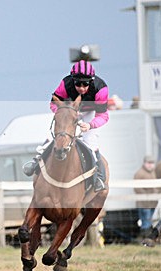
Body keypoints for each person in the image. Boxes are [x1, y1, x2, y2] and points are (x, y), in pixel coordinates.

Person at [23, 59, 109, 192]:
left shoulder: (100, 89)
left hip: (89, 114)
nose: (81, 88)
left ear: (91, 81)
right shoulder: (65, 83)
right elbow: (53, 103)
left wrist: (90, 125)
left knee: (91, 142)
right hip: (68, 111)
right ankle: (36, 161)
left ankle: (98, 177)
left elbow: (103, 116)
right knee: (55, 136)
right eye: (78, 83)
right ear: (72, 80)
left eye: (85, 84)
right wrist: (64, 113)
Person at [134, 155, 158, 239]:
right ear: (144, 163)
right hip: (143, 203)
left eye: (152, 163)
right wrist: (147, 196)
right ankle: (146, 239)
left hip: (153, 202)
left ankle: (146, 238)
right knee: (146, 221)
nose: (150, 165)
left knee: (148, 220)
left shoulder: (154, 172)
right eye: (148, 163)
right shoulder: (139, 173)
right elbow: (137, 189)